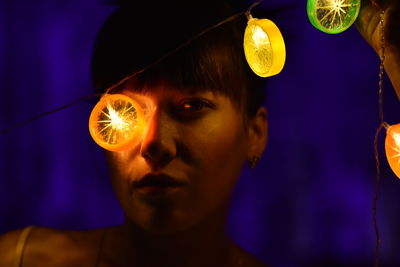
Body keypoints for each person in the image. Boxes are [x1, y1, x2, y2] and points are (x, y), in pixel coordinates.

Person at [0, 0, 399, 266]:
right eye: (123, 110)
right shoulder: (22, 258)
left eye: (190, 107)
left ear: (255, 131)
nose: (154, 142)